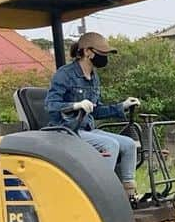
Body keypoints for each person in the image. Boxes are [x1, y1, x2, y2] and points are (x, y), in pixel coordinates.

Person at [44, 32, 141, 200]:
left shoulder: (94, 78)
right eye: (102, 54)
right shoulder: (64, 74)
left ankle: (128, 194)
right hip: (67, 131)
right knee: (109, 145)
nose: (104, 58)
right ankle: (102, 194)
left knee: (129, 144)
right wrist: (75, 105)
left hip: (87, 129)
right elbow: (50, 105)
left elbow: (96, 110)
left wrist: (123, 106)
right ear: (87, 52)